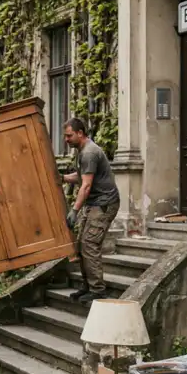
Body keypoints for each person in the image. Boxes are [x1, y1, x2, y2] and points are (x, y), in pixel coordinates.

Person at [62, 117, 120, 304]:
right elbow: (80, 177)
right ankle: (87, 286)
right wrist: (61, 178)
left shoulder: (89, 153)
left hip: (104, 204)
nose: (66, 139)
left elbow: (85, 186)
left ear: (80, 133)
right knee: (81, 245)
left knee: (90, 245)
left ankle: (97, 290)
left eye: (69, 135)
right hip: (95, 204)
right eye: (65, 136)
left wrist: (74, 210)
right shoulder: (83, 152)